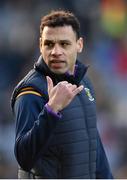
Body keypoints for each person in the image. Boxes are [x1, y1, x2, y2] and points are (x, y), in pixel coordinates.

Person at [11, 10, 113, 179]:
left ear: (79, 45)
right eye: (49, 44)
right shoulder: (30, 92)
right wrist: (51, 110)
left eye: (64, 44)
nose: (55, 51)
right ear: (40, 44)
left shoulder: (84, 82)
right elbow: (24, 158)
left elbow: (93, 145)